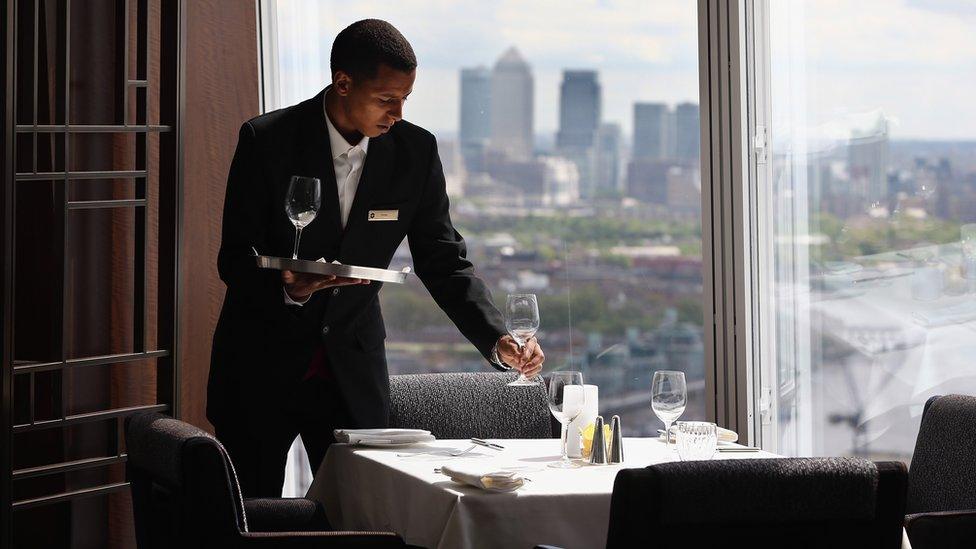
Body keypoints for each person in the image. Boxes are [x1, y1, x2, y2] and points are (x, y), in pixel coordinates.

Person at [207, 19, 545, 498]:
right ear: (343, 83)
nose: (398, 113)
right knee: (249, 519)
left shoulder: (415, 152)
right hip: (260, 367)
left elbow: (443, 260)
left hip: (352, 372)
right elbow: (233, 257)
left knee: (360, 518)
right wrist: (287, 287)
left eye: (406, 98)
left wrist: (497, 339)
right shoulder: (268, 140)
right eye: (387, 99)